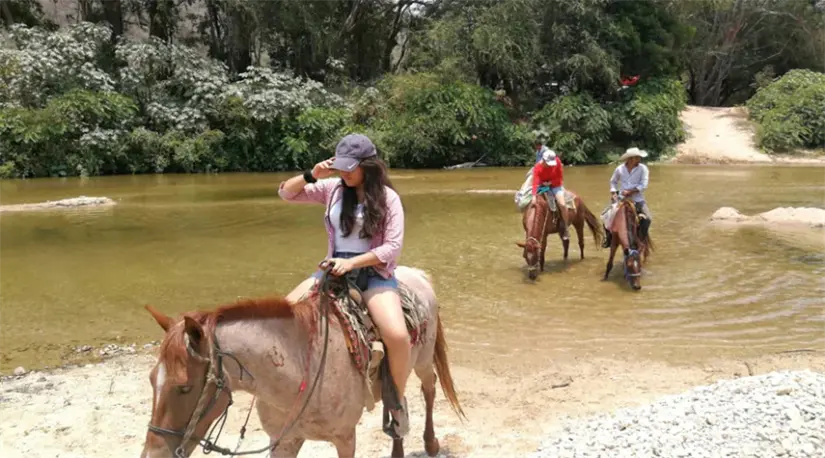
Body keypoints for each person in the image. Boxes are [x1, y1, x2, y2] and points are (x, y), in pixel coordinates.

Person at [277, 133, 411, 438]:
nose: (345, 173)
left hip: (373, 272)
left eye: (351, 168)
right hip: (333, 268)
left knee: (398, 336)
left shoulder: (389, 198)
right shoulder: (332, 189)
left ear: (370, 166)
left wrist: (353, 263)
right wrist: (312, 174)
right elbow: (286, 193)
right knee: (284, 313)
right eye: (341, 168)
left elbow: (392, 246)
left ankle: (396, 401)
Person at [602, 147, 652, 248]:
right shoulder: (619, 169)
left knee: (648, 219)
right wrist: (613, 192)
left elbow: (644, 185)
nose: (639, 159)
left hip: (637, 198)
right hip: (621, 198)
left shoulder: (643, 168)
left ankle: (641, 239)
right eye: (637, 157)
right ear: (630, 159)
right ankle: (609, 238)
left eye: (639, 157)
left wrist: (631, 191)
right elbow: (613, 181)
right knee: (605, 216)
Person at [531, 148, 570, 240]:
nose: (549, 166)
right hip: (541, 186)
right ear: (543, 160)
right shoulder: (537, 167)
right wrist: (533, 196)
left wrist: (550, 183)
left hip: (555, 185)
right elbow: (535, 181)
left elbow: (560, 178)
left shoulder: (557, 162)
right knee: (532, 204)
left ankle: (566, 227)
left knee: (562, 204)